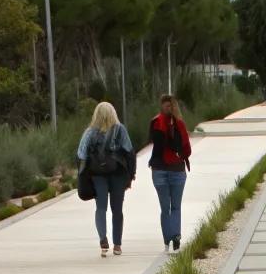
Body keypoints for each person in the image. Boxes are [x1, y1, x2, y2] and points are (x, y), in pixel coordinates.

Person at [77, 102, 136, 256]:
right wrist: (131, 175)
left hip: (98, 175)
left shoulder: (90, 132)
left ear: (96, 114)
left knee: (101, 207)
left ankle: (103, 241)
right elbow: (130, 152)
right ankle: (117, 245)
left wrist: (83, 176)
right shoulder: (120, 130)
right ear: (113, 113)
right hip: (117, 174)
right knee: (117, 210)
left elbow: (81, 155)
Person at [148, 94, 192, 251]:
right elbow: (185, 149)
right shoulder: (173, 124)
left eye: (170, 106)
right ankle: (173, 237)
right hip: (172, 170)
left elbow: (154, 141)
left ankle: (170, 239)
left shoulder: (167, 123)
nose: (168, 109)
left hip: (162, 170)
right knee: (173, 207)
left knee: (167, 207)